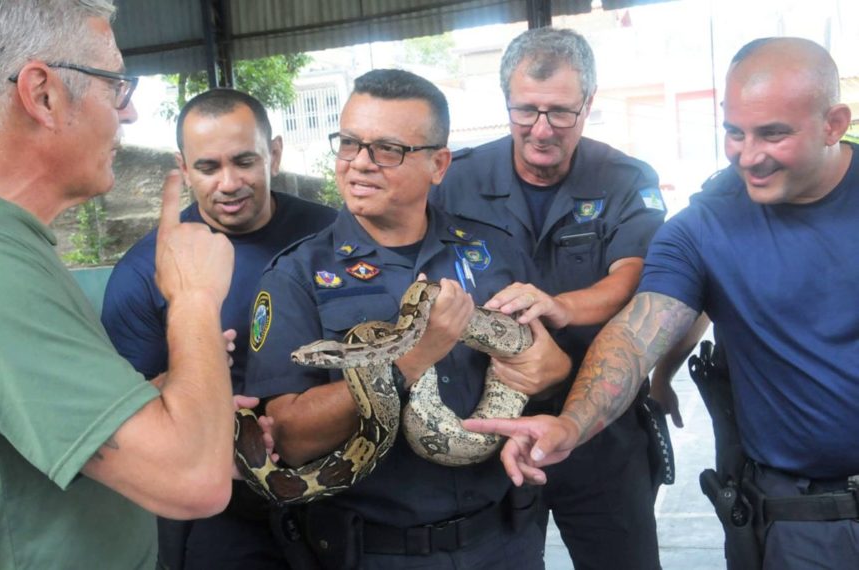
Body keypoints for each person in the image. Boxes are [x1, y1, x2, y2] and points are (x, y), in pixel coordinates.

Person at [465, 37, 859, 570]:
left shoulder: (622, 179)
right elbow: (636, 332)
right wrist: (572, 425)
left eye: (773, 134)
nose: (749, 155)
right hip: (804, 517)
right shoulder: (702, 228)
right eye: (733, 132)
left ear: (834, 123)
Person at [244, 68, 572, 569]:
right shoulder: (296, 275)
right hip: (376, 553)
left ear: (438, 164)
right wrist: (411, 359)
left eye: (388, 150)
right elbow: (288, 436)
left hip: (506, 540)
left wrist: (551, 369)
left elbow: (546, 372)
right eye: (349, 143)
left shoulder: (495, 252)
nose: (359, 164)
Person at [0, 1, 241, 568]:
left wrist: (153, 404)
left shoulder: (23, 249)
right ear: (44, 94)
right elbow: (194, 481)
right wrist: (194, 296)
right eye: (117, 88)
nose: (128, 116)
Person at [432, 27, 666, 569]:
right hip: (489, 433)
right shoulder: (454, 181)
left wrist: (562, 306)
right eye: (526, 111)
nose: (541, 129)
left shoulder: (626, 180)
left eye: (561, 112)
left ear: (588, 105)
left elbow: (634, 274)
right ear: (506, 103)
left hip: (597, 424)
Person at [101, 88, 337, 568]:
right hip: (219, 512)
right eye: (208, 167)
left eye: (244, 161)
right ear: (183, 168)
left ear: (274, 154)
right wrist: (184, 371)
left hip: (341, 493)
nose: (229, 183)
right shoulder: (144, 270)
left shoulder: (333, 235)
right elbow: (117, 413)